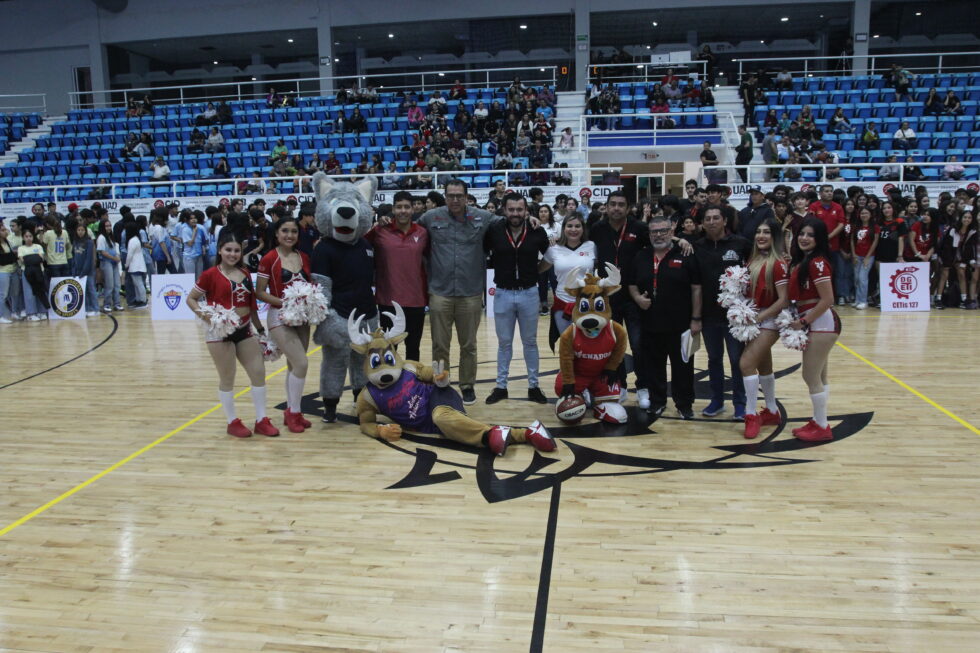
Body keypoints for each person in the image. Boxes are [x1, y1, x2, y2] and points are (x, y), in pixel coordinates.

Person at [418, 179, 503, 405]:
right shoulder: (430, 217)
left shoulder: (482, 217)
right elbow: (408, 229)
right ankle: (441, 383)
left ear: (466, 196)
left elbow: (507, 223)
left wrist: (529, 218)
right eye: (450, 195)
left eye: (459, 195)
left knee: (469, 345)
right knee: (439, 344)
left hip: (471, 292)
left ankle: (467, 385)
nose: (455, 199)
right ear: (445, 196)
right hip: (440, 292)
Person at [187, 233, 279, 438]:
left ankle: (261, 419)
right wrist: (208, 317)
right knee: (228, 378)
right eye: (228, 250)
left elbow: (252, 306)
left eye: (237, 250)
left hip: (245, 330)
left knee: (258, 373)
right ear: (220, 250)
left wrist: (261, 331)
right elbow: (191, 299)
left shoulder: (245, 273)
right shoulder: (210, 274)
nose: (232, 254)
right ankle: (232, 421)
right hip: (220, 333)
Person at [627, 215, 702, 420]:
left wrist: (696, 318)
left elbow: (696, 288)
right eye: (654, 231)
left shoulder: (686, 253)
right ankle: (658, 402)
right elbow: (631, 283)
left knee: (683, 368)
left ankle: (684, 404)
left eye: (663, 231)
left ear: (672, 232)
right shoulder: (641, 256)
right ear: (649, 234)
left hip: (681, 324)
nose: (658, 235)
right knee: (654, 367)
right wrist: (637, 298)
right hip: (650, 323)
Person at [483, 193, 550, 405]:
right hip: (502, 293)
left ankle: (533, 386)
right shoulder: (493, 230)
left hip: (529, 292)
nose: (515, 214)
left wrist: (536, 271)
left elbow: (550, 256)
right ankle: (501, 386)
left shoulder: (537, 230)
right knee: (504, 343)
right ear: (504, 210)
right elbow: (482, 253)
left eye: (519, 210)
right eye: (511, 209)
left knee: (530, 342)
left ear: (526, 211)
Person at [591, 191, 651, 408]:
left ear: (628, 208)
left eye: (621, 205)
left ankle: (643, 388)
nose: (616, 208)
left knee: (638, 344)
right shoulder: (597, 229)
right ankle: (621, 385)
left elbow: (659, 242)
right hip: (608, 298)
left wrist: (679, 239)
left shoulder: (639, 228)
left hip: (634, 296)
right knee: (614, 345)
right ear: (606, 207)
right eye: (612, 204)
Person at [256, 217, 313, 433]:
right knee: (302, 363)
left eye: (294, 232)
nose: (290, 235)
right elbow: (260, 292)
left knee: (294, 365)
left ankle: (292, 409)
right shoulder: (269, 258)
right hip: (279, 315)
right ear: (277, 234)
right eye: (285, 231)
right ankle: (294, 413)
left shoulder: (304, 257)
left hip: (303, 317)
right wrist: (286, 302)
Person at [695, 205, 752, 419]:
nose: (711, 221)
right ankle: (717, 401)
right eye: (707, 218)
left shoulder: (740, 244)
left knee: (737, 360)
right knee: (713, 359)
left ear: (725, 221)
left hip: (735, 315)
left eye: (715, 217)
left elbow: (755, 268)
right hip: (709, 315)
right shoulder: (697, 246)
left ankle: (740, 403)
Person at [787, 218, 840, 442]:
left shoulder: (817, 263)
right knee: (820, 376)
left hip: (822, 324)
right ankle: (820, 420)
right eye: (802, 234)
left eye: (810, 235)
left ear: (818, 239)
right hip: (819, 324)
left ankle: (822, 427)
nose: (804, 238)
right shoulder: (807, 260)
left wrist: (805, 321)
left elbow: (828, 299)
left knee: (810, 375)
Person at [364, 191, 429, 363]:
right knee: (389, 349)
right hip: (387, 300)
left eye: (406, 207)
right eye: (399, 207)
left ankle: (412, 387)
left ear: (413, 209)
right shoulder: (379, 231)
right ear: (393, 209)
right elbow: (360, 245)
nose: (403, 211)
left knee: (413, 347)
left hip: (416, 300)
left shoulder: (422, 233)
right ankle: (392, 389)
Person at [739, 218, 789, 438]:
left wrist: (759, 317)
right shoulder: (753, 260)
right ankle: (771, 410)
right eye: (758, 231)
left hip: (770, 319)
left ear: (775, 236)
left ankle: (751, 414)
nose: (761, 236)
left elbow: (784, 300)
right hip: (755, 317)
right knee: (764, 364)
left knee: (746, 363)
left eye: (766, 232)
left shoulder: (778, 263)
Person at [808, 185, 847, 304]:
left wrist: (829, 237)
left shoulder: (838, 207)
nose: (829, 193)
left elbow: (841, 224)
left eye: (831, 191)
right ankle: (818, 296)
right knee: (817, 271)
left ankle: (836, 296)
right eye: (826, 191)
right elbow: (811, 223)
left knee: (834, 272)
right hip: (817, 246)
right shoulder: (814, 206)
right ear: (820, 193)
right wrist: (821, 238)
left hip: (833, 246)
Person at [17, 226, 50, 320]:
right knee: (29, 293)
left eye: (30, 236)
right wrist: (35, 258)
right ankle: (31, 314)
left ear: (33, 237)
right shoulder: (21, 248)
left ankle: (42, 311)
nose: (28, 238)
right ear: (23, 238)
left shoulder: (38, 246)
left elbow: (41, 258)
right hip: (27, 273)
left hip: (40, 272)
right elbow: (23, 261)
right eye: (26, 236)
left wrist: (30, 258)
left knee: (41, 291)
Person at [68, 222, 100, 317]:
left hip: (88, 271)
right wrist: (74, 269)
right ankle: (87, 308)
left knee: (91, 289)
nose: (80, 232)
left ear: (85, 231)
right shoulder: (75, 242)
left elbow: (88, 258)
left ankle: (95, 308)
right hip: (78, 271)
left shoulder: (89, 242)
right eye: (79, 230)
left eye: (82, 230)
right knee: (83, 291)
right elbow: (74, 257)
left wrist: (84, 271)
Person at [850, 207, 879, 310]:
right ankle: (858, 300)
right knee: (857, 278)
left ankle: (863, 301)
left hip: (868, 256)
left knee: (863, 278)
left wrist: (867, 257)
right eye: (862, 213)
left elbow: (875, 242)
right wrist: (853, 255)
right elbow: (852, 241)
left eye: (866, 213)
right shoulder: (856, 226)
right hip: (857, 256)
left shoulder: (874, 227)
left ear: (870, 215)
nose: (864, 215)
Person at [96, 220, 122, 312]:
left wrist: (117, 257)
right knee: (109, 285)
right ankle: (107, 304)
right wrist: (113, 258)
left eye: (110, 226)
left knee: (117, 284)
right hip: (106, 263)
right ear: (103, 227)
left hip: (114, 263)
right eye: (106, 226)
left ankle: (117, 303)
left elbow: (115, 250)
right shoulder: (101, 238)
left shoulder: (111, 237)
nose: (109, 228)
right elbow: (102, 252)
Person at [41, 215, 72, 280]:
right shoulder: (64, 232)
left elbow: (43, 245)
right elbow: (67, 244)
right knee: (64, 283)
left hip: (53, 263)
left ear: (47, 225)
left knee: (57, 285)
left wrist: (41, 233)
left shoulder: (48, 233)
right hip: (64, 261)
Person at [124, 222, 147, 308]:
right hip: (138, 265)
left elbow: (129, 254)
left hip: (135, 266)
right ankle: (139, 300)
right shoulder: (136, 239)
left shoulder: (132, 240)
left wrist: (126, 264)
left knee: (139, 284)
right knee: (137, 284)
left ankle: (143, 301)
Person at [179, 212, 206, 280]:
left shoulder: (199, 228)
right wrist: (194, 232)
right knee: (190, 278)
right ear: (187, 220)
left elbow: (202, 241)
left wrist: (203, 249)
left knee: (199, 278)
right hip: (189, 257)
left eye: (195, 218)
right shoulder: (185, 229)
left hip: (199, 255)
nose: (194, 220)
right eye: (191, 219)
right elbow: (190, 244)